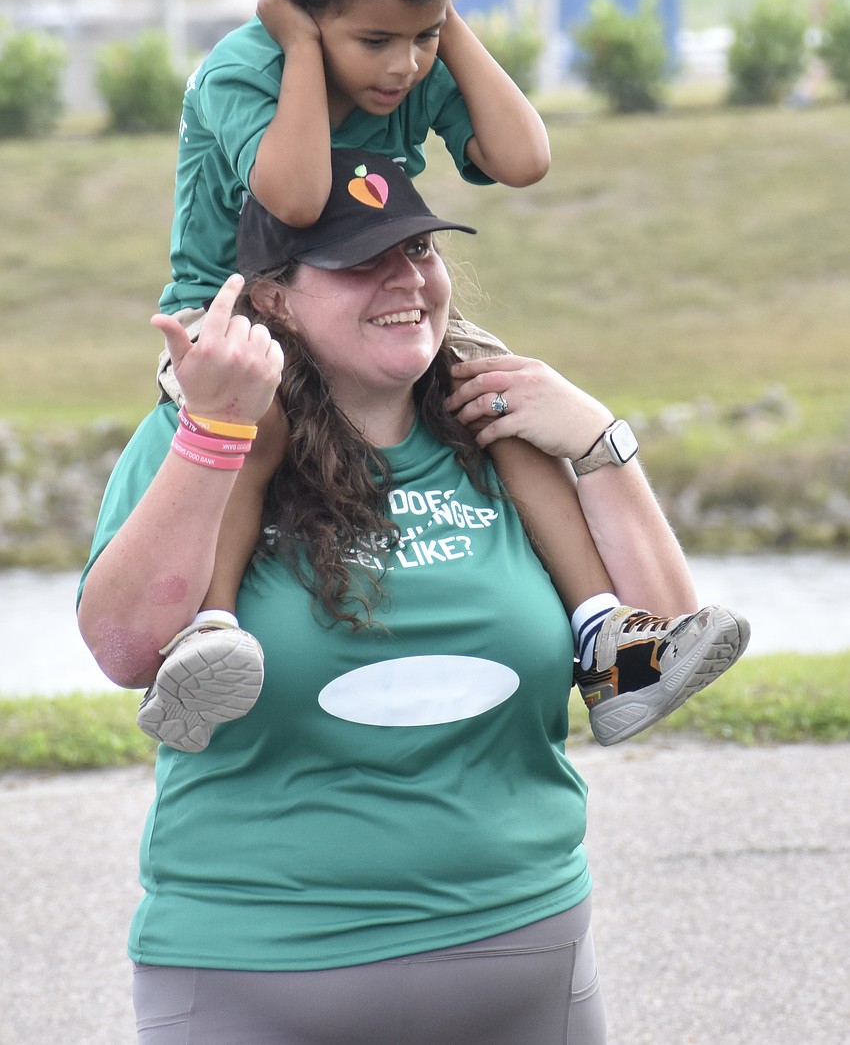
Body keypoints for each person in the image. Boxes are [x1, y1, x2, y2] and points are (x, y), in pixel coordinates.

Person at [78, 163, 747, 1043]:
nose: (408, 279)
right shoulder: (204, 425)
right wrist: (212, 434)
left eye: (420, 249)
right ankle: (217, 625)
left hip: (524, 958)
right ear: (275, 296)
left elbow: (666, 639)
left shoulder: (503, 426)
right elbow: (126, 649)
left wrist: (601, 442)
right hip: (256, 971)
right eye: (362, 261)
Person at [142, 0, 745, 754]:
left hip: (362, 286)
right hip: (232, 308)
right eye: (376, 39)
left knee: (498, 405)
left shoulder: (417, 60)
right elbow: (298, 200)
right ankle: (210, 635)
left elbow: (524, 156)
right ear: (306, 16)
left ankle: (606, 638)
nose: (404, 64)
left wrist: (446, 23)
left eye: (421, 34)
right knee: (251, 421)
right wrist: (304, 49)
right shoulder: (246, 69)